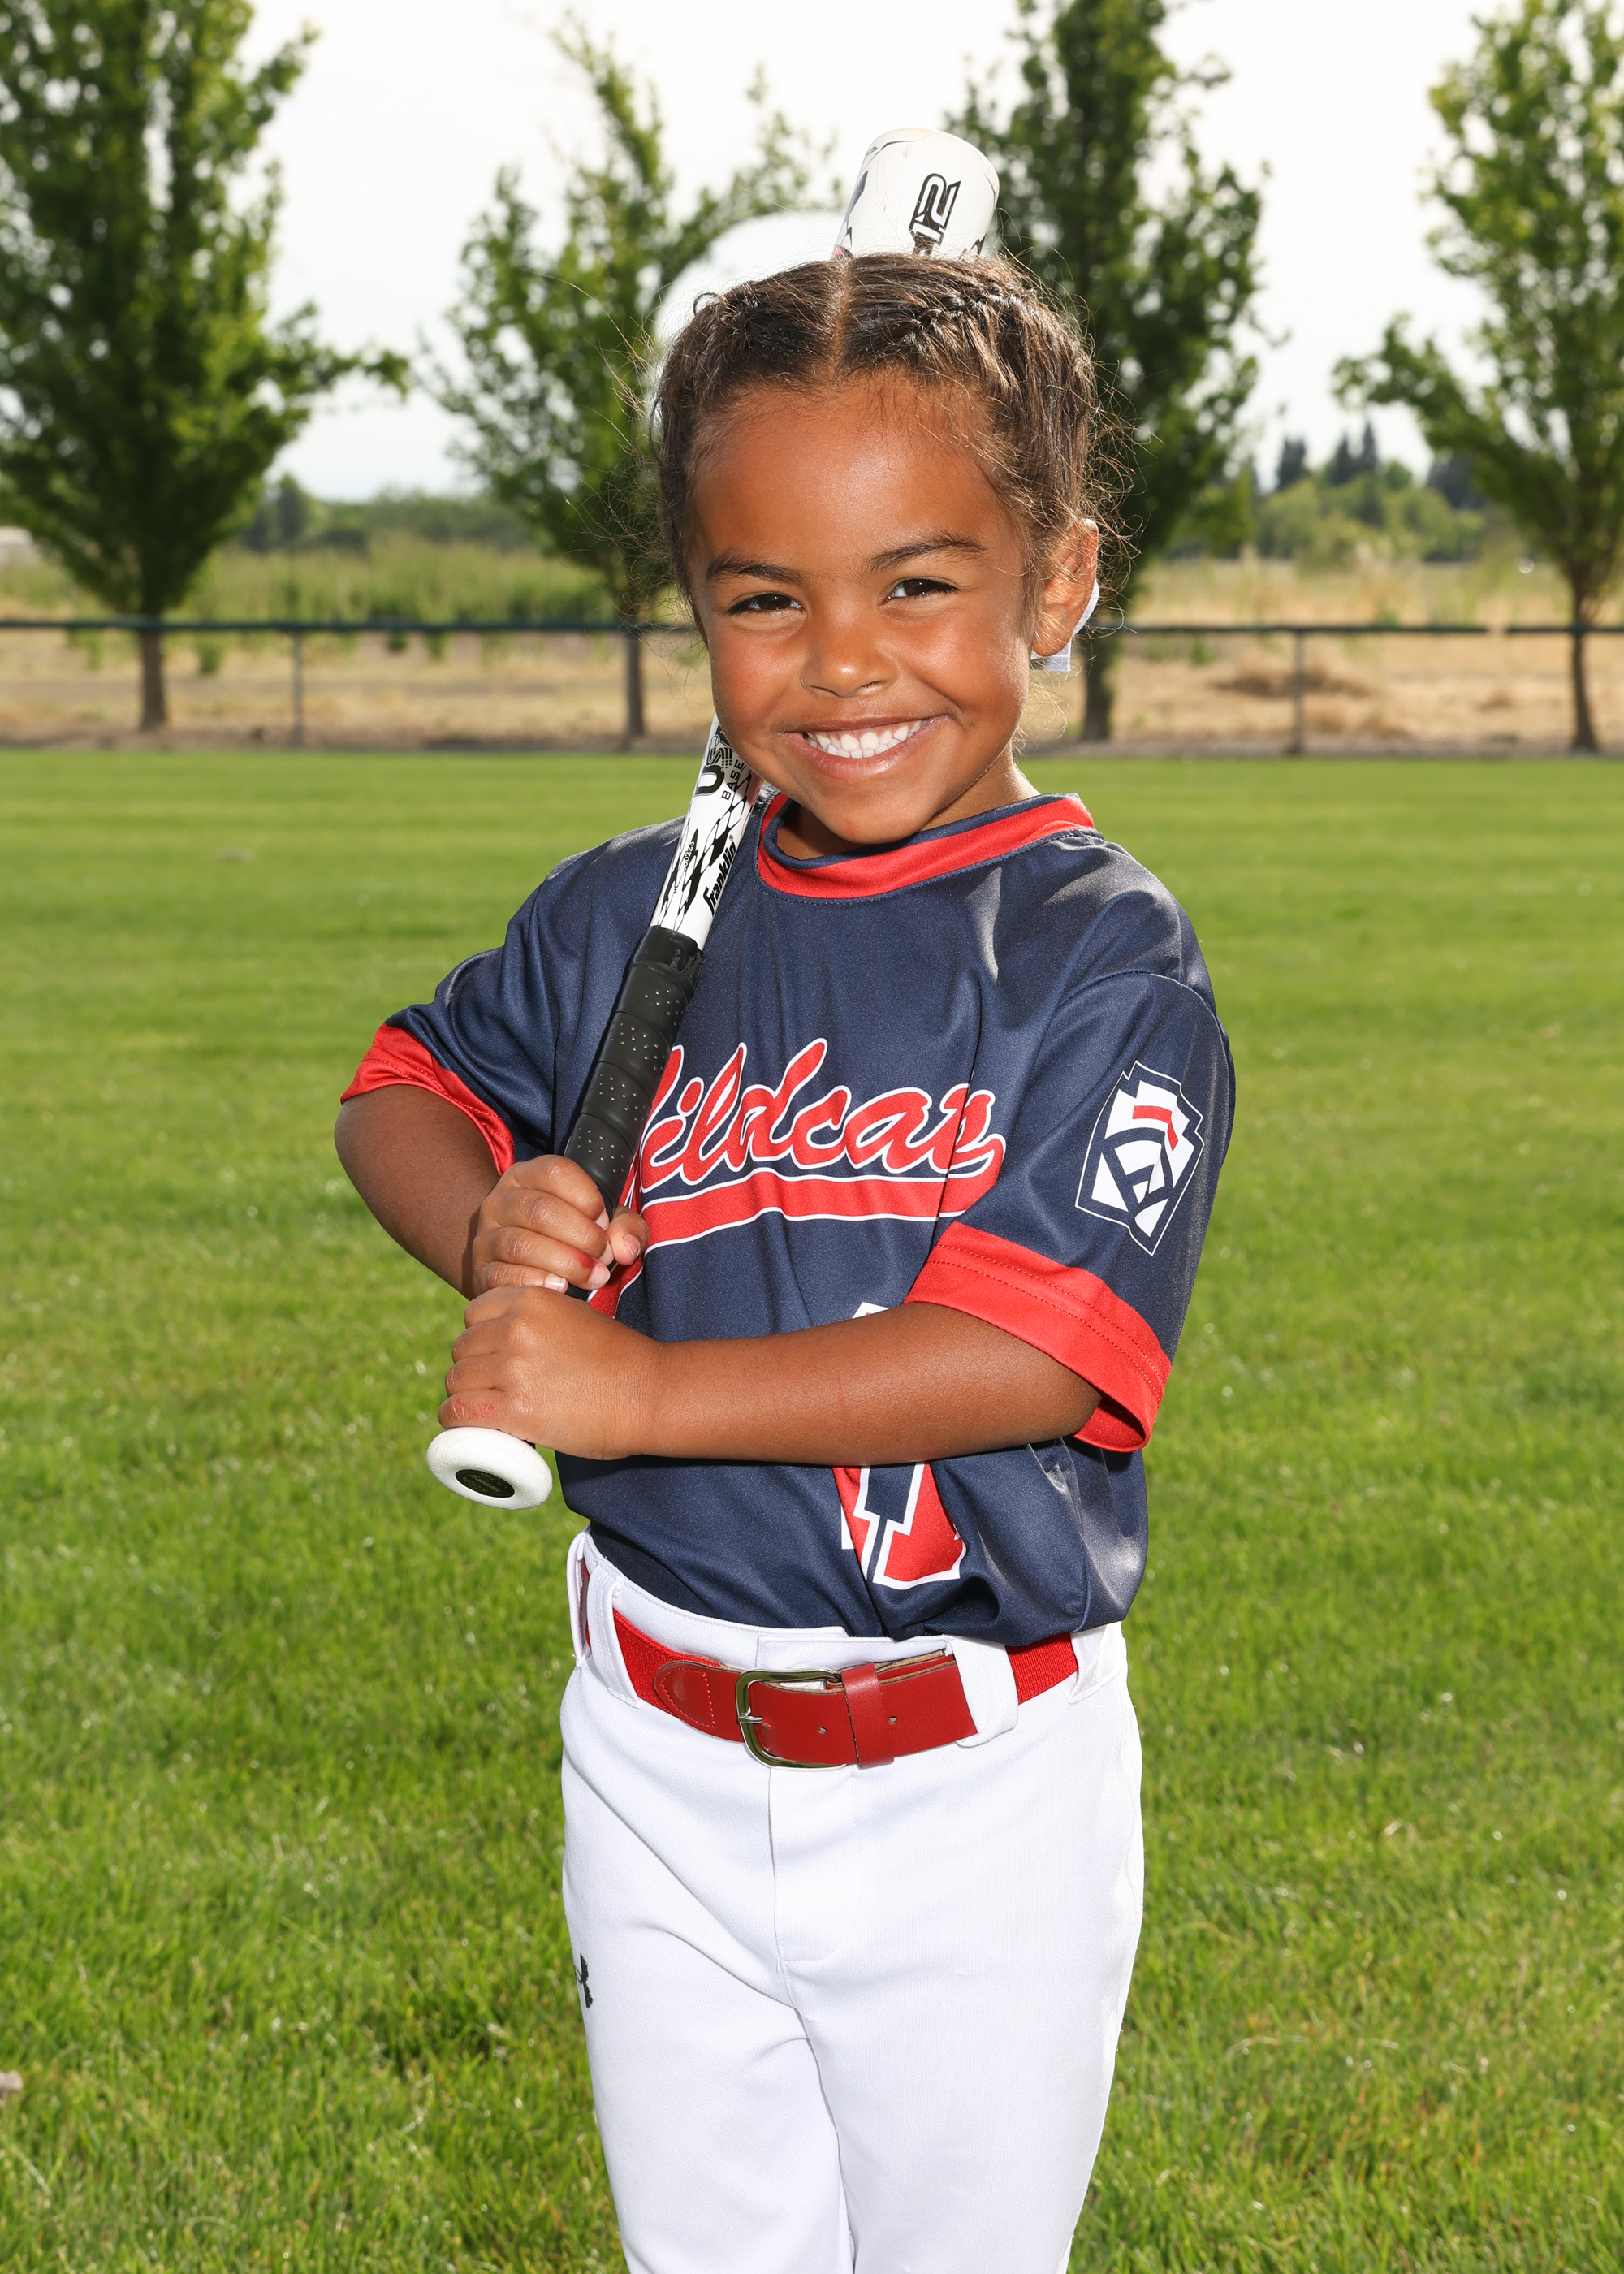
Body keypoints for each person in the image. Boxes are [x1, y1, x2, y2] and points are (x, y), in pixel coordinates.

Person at [335, 253, 1234, 2274]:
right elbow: (400, 1087)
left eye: (914, 583)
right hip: (649, 1737)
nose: (841, 660)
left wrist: (636, 1389)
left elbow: (1027, 1350)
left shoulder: (1102, 955)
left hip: (969, 1779)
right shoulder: (624, 915)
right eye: (765, 599)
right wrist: (482, 1219)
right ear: (696, 610)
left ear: (1059, 582)